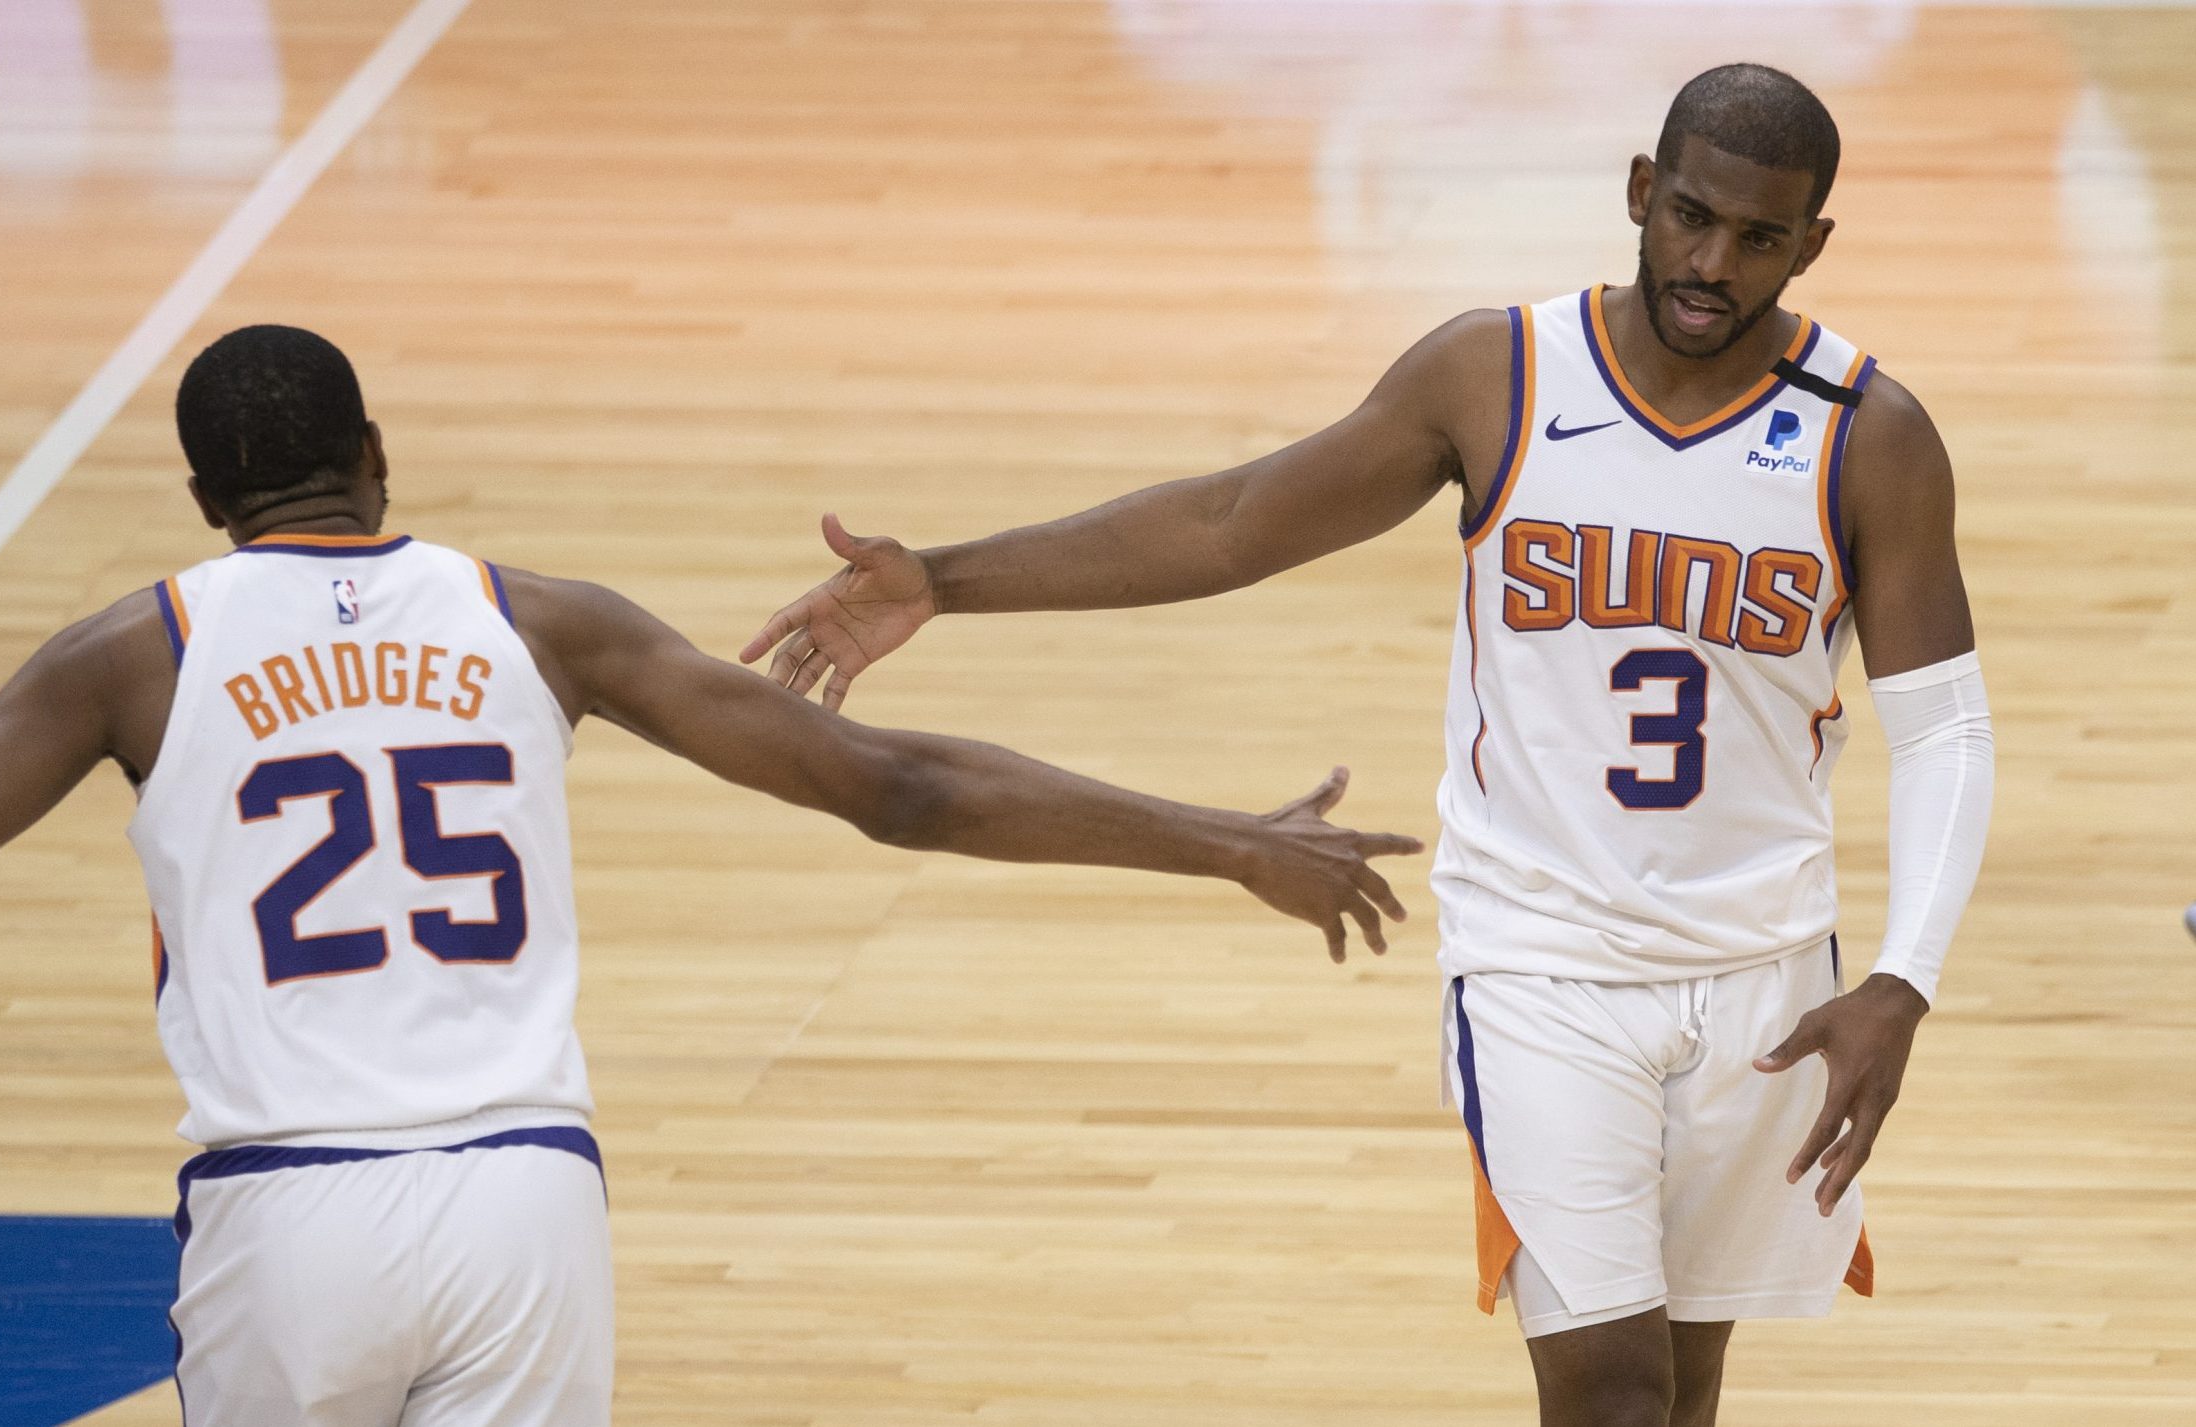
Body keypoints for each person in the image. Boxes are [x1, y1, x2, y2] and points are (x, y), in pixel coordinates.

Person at [0, 325, 1425, 1426]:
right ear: (377, 455)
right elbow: (896, 787)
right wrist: (1227, 842)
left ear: (203, 501)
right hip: (524, 1202)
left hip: (284, 1210)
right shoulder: (540, 621)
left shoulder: (131, 658)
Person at [740, 64, 1994, 1427]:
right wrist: (945, 579)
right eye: (1690, 216)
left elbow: (1947, 732)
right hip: (1542, 963)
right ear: (1641, 191)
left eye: (1759, 239)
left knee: (1684, 1393)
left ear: (1811, 245)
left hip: (1765, 969)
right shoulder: (1498, 375)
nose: (1710, 264)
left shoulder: (1870, 438)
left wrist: (1900, 985)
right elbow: (1236, 521)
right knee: (1614, 1398)